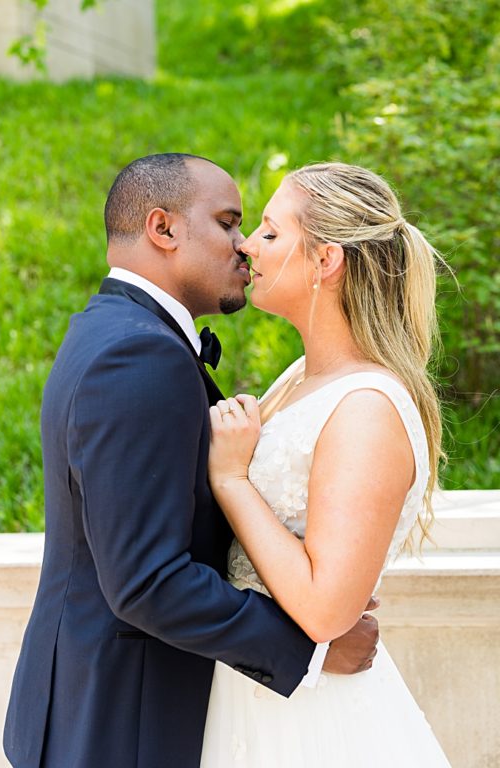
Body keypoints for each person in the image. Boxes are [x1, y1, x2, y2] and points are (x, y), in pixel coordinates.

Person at [3, 153, 380, 768]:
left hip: (97, 707)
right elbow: (147, 581)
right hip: (119, 723)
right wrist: (308, 650)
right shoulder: (139, 356)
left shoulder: (112, 331)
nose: (245, 247)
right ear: (164, 229)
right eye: (229, 222)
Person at [201, 162, 451, 765]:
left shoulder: (367, 406)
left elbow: (324, 609)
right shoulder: (302, 379)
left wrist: (232, 479)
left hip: (310, 721)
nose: (246, 245)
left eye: (269, 232)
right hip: (253, 689)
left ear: (325, 261)